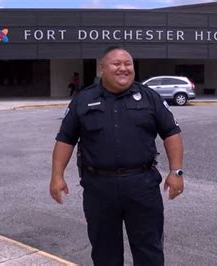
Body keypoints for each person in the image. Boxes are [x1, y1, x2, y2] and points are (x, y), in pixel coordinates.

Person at [50, 46, 184, 265]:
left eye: (128, 64)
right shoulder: (83, 100)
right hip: (98, 187)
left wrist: (176, 171)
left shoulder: (150, 97)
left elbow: (172, 133)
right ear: (102, 67)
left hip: (142, 185)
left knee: (149, 250)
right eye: (116, 64)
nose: (124, 68)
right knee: (104, 252)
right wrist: (57, 176)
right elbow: (65, 139)